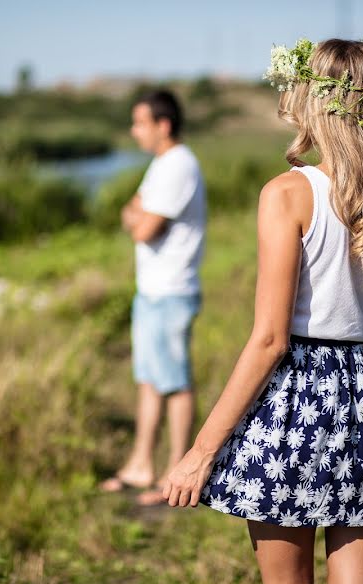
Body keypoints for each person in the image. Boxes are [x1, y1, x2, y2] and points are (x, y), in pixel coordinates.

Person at [160, 39, 363, 584]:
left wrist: (200, 452)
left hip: (295, 398)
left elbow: (268, 340)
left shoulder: (288, 194)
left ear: (312, 101)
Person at [99, 90, 207, 507]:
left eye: (140, 122)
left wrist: (137, 218)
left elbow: (143, 227)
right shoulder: (162, 165)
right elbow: (133, 212)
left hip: (172, 291)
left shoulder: (179, 165)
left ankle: (174, 474)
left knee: (175, 382)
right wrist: (137, 215)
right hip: (152, 291)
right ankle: (141, 464)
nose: (134, 130)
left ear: (163, 124)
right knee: (149, 379)